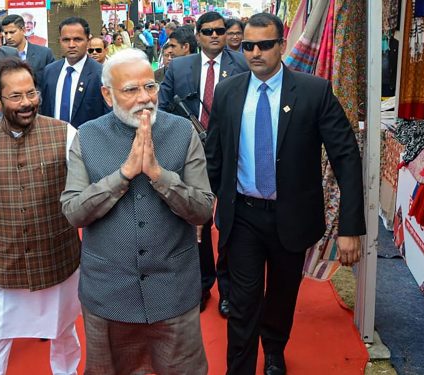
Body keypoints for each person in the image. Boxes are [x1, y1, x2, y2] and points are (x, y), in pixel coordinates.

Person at [204, 13, 365, 375]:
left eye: (264, 45)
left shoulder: (313, 91)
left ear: (281, 46)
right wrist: (205, 206)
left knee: (281, 295)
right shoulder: (228, 92)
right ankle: (239, 368)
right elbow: (214, 157)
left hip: (290, 216)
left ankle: (274, 350)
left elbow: (346, 157)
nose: (255, 53)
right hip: (242, 215)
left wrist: (351, 226)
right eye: (248, 46)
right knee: (243, 302)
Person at [61, 48, 214, 374]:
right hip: (108, 293)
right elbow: (74, 212)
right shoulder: (86, 137)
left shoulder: (183, 132)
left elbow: (203, 209)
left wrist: (159, 176)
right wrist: (123, 175)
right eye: (130, 90)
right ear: (107, 94)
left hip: (173, 290)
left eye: (150, 86)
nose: (145, 98)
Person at [0, 57, 81, 375]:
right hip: (3, 259)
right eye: (16, 96)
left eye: (31, 93)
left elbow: (85, 193)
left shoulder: (64, 133)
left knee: (64, 332)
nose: (27, 103)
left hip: (57, 257)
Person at [159, 11, 249, 317]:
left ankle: (228, 290)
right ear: (197, 35)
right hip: (189, 154)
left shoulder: (243, 64)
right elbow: (162, 107)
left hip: (232, 155)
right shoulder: (180, 66)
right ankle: (200, 285)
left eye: (220, 30)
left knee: (229, 224)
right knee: (196, 222)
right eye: (208, 31)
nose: (214, 35)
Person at [40, 17, 109, 128]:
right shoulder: (50, 71)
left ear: (88, 40)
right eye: (66, 40)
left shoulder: (101, 74)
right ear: (60, 41)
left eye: (77, 39)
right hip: (55, 141)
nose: (71, 45)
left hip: (88, 142)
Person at [1, 14, 55, 84]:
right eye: (5, 33)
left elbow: (52, 82)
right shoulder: (0, 54)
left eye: (12, 32)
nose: (8, 37)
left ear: (23, 30)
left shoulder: (44, 54)